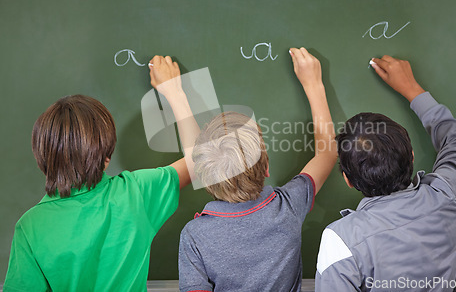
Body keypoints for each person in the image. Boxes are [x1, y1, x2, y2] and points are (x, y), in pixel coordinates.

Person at [3, 56, 193, 292]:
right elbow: (199, 161)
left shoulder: (30, 227)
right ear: (106, 157)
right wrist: (174, 92)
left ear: (42, 157)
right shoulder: (136, 193)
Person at [170, 47, 337, 292]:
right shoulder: (288, 206)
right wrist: (314, 85)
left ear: (204, 178)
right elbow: (328, 152)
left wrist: (175, 94)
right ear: (267, 167)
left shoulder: (194, 236)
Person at [315, 56, 456, 291]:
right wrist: (412, 89)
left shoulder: (340, 240)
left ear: (347, 180)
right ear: (411, 155)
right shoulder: (446, 196)